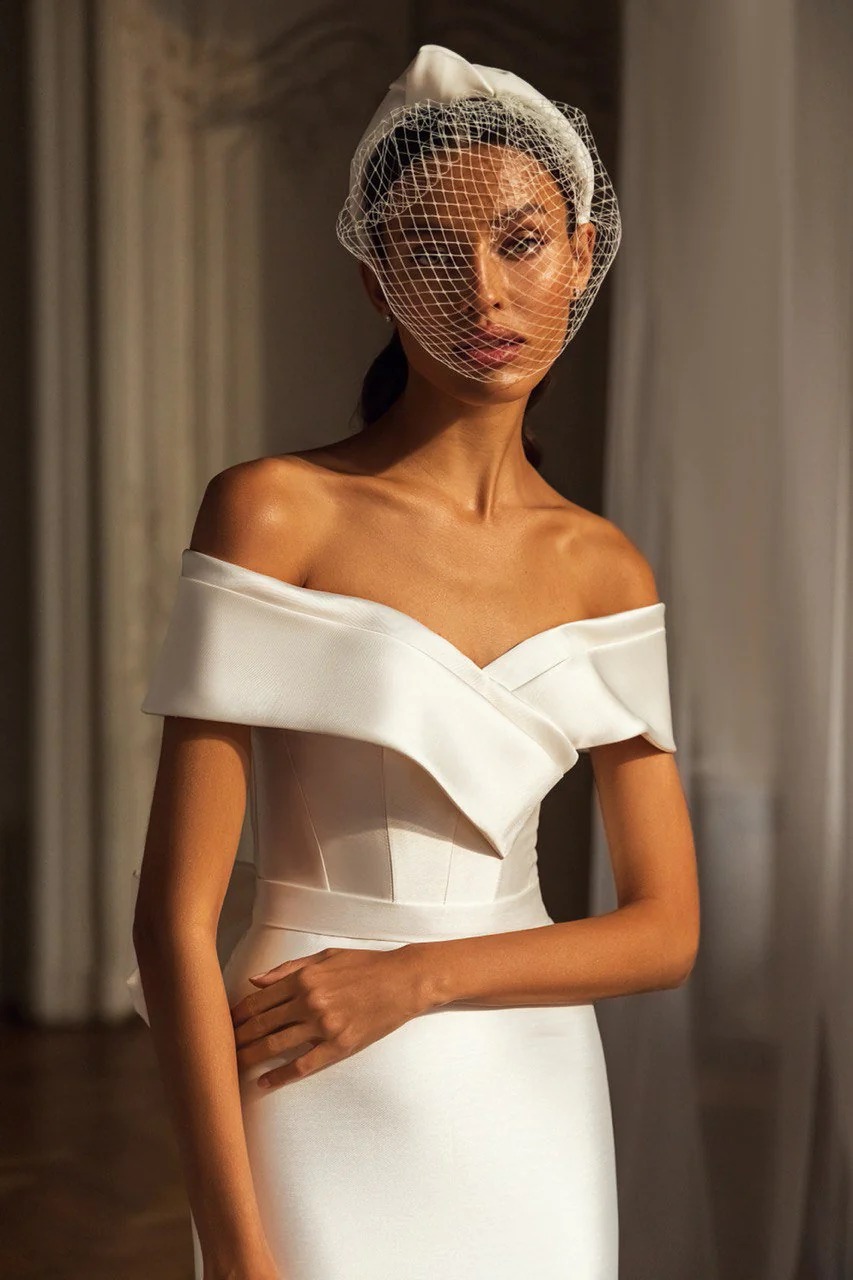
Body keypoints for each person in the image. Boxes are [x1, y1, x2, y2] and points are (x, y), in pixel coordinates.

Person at [128, 43, 699, 1280]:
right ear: (378, 280)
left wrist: (417, 977)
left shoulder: (608, 568)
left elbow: (666, 928)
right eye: (433, 252)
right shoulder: (275, 513)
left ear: (582, 253)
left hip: (530, 1087)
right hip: (309, 1069)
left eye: (519, 241)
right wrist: (235, 1249)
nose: (485, 295)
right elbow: (170, 918)